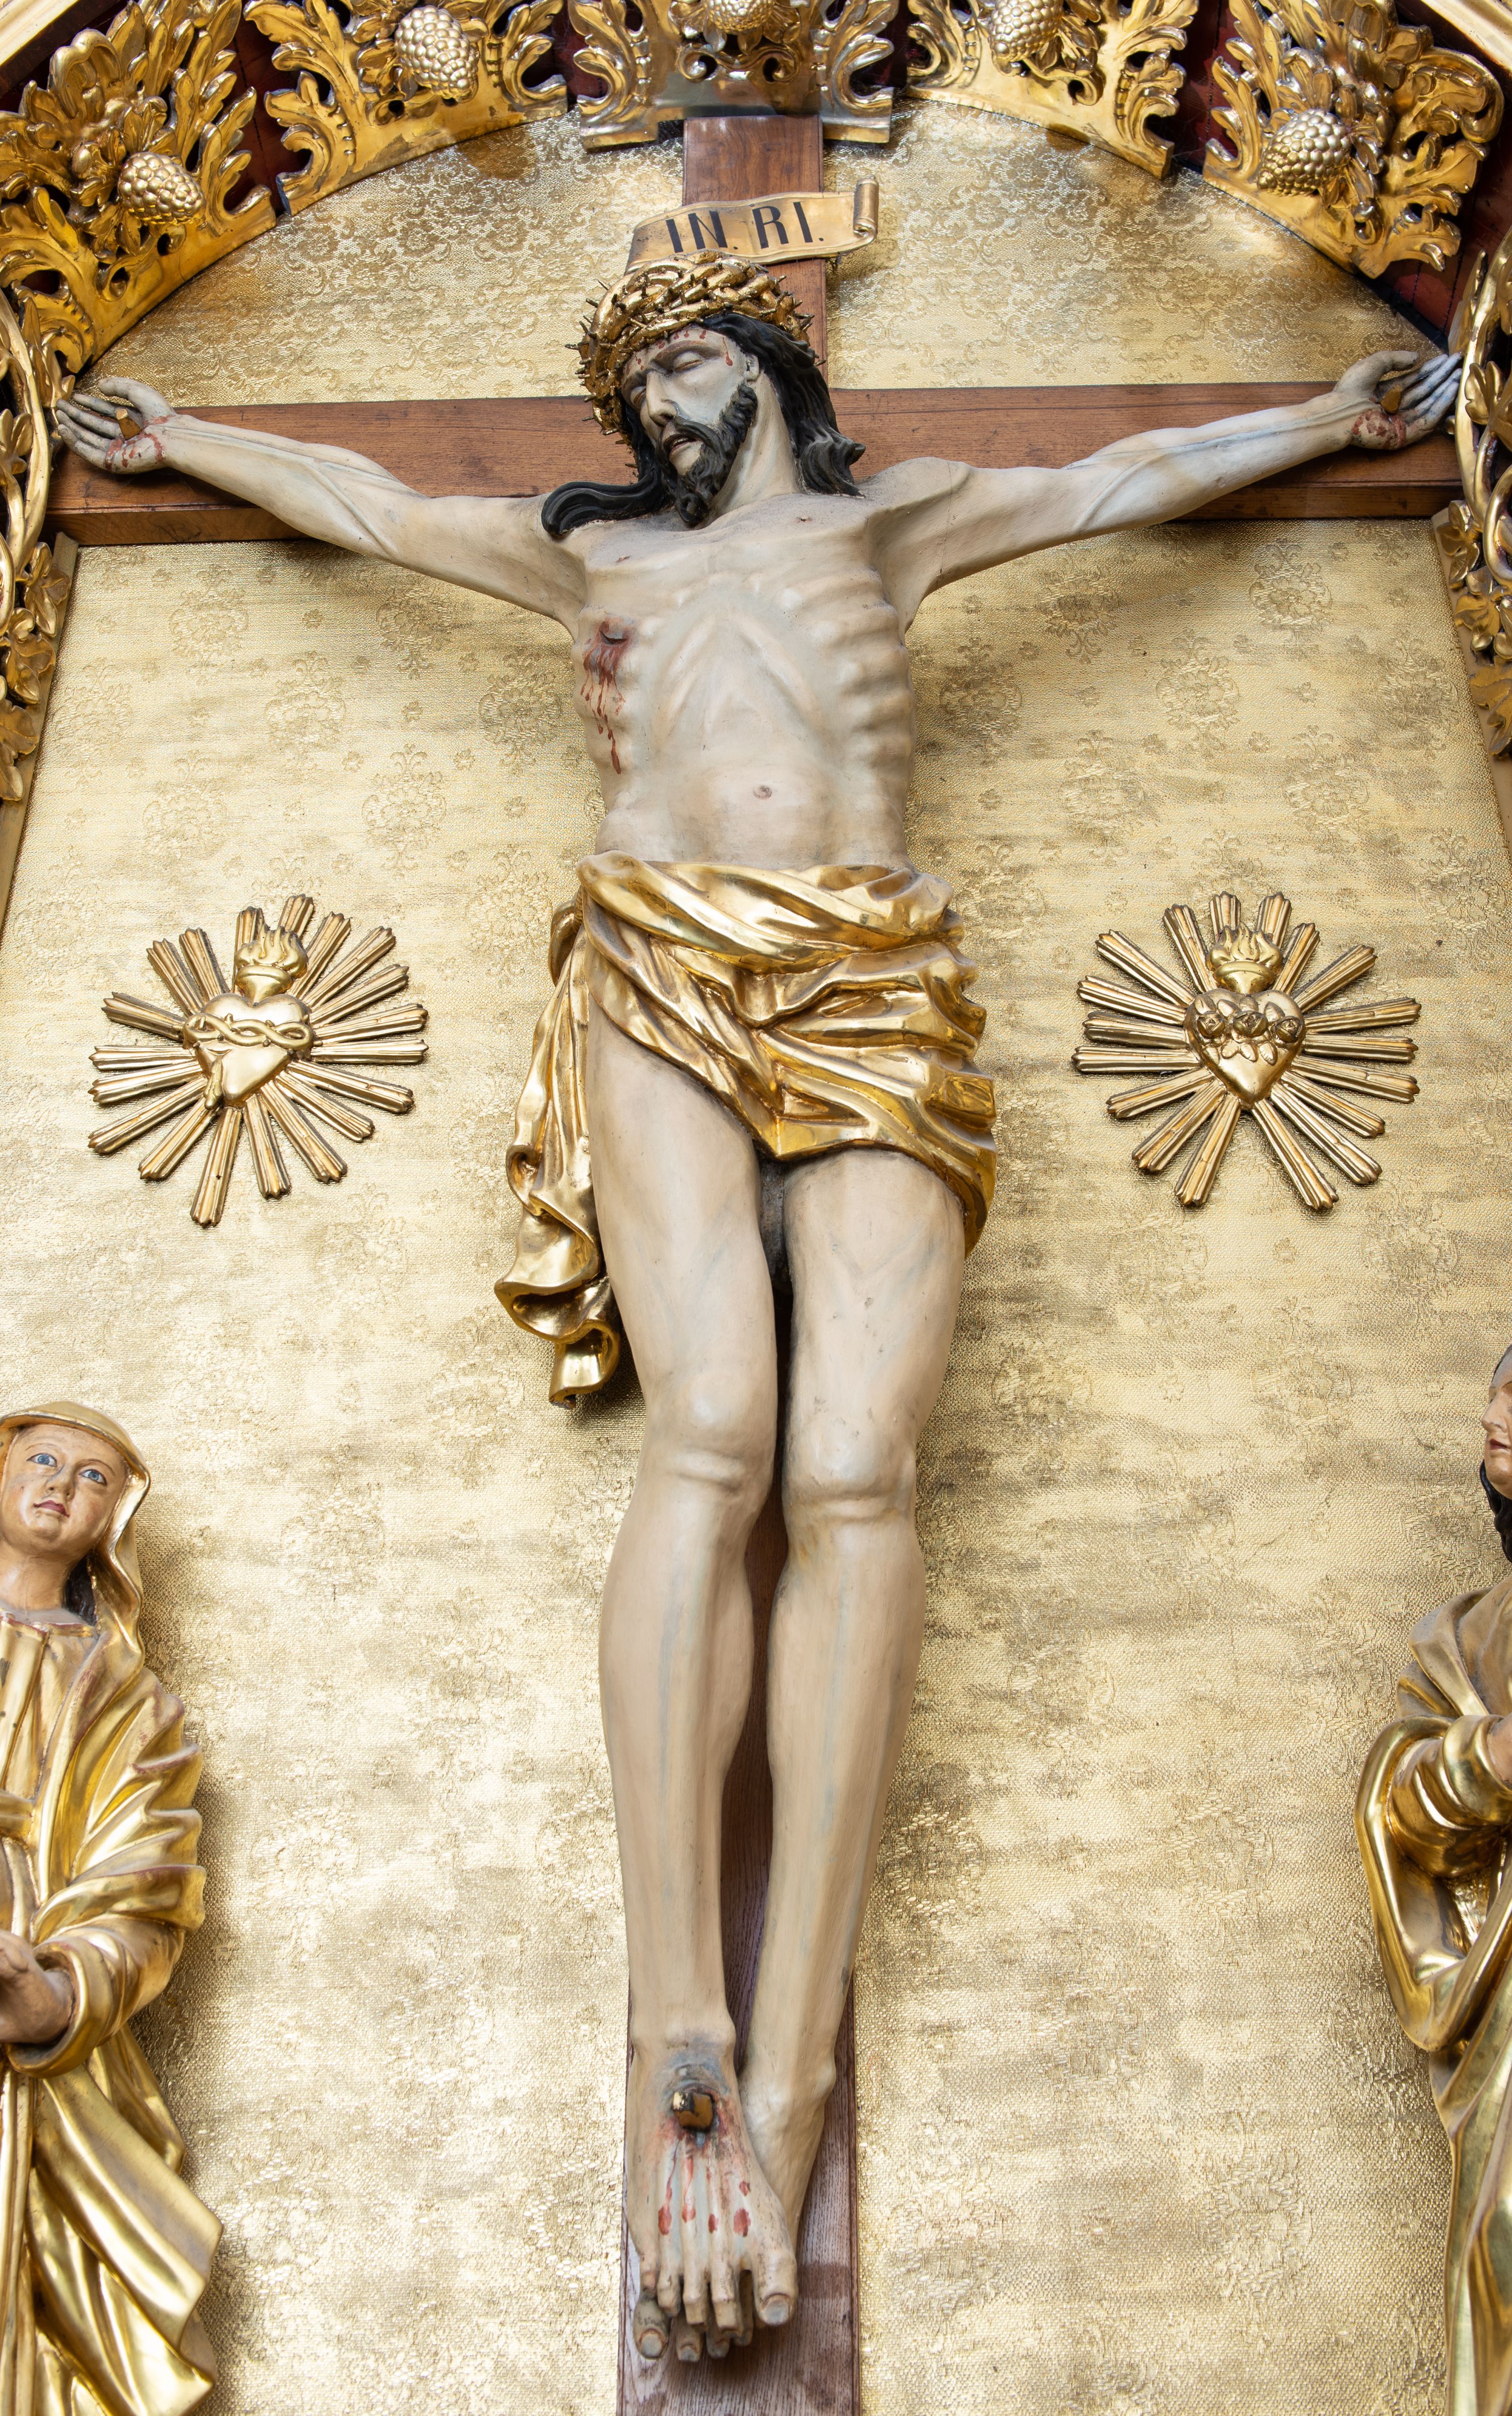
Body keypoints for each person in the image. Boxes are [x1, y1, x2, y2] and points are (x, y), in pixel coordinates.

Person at [57, 254, 1460, 2360]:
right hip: (656, 953)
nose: (662, 397)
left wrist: (1328, 421)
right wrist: (185, 440)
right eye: (637, 379)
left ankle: (788, 2062)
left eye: (693, 359)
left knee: (857, 1467)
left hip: (875, 962)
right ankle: (681, 2019)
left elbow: (1125, 478)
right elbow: (372, 504)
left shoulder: (890, 528)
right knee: (711, 1427)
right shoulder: (593, 560)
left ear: (775, 371)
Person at [0, 1401, 216, 2416]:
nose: (61, 1483)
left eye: (93, 1477)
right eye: (43, 1458)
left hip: (27, 2032)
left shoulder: (129, 1701)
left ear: (113, 1520)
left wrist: (57, 1995)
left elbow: (149, 1882)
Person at [1358, 1348, 1512, 2416]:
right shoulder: (1470, 1638)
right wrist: (1487, 1761)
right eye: (1497, 1392)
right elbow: (1402, 1809)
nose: (1496, 1413)